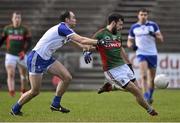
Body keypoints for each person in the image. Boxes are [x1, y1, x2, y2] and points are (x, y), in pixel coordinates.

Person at [10, 10, 107, 116]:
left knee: (67, 77)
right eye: (73, 18)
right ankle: (15, 109)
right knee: (35, 91)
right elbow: (82, 40)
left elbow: (81, 45)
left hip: (46, 58)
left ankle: (55, 104)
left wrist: (88, 51)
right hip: (36, 58)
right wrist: (99, 42)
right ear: (67, 20)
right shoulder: (62, 28)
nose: (75, 20)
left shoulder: (66, 30)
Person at [84, 13, 158, 116]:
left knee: (138, 89)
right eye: (120, 24)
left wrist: (128, 63)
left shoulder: (117, 34)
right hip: (111, 70)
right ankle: (150, 110)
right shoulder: (101, 34)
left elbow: (120, 49)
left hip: (123, 66)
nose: (121, 27)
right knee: (135, 91)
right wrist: (86, 52)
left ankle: (110, 87)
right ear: (113, 23)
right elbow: (87, 44)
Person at [127, 8, 164, 104]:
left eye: (145, 15)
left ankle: (150, 95)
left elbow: (161, 39)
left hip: (152, 54)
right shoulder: (134, 27)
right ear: (138, 16)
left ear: (147, 16)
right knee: (143, 76)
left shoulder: (153, 25)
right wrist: (132, 46)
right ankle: (146, 96)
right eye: (141, 14)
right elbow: (129, 41)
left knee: (152, 79)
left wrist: (155, 35)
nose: (143, 16)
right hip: (141, 53)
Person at [0, 11, 31, 97]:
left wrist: (24, 52)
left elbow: (29, 42)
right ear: (12, 19)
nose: (17, 19)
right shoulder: (7, 29)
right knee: (11, 73)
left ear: (20, 19)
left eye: (19, 18)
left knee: (24, 76)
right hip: (10, 55)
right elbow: (2, 40)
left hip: (21, 55)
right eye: (15, 17)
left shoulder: (25, 29)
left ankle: (23, 90)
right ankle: (11, 92)